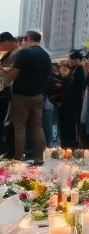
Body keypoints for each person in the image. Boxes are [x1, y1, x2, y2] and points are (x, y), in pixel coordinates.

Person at [2, 31, 51, 163]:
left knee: (20, 126)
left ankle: (18, 158)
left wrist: (5, 81)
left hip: (21, 95)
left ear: (29, 39)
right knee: (37, 126)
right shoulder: (46, 55)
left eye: (23, 38)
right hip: (38, 95)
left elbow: (15, 73)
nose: (22, 41)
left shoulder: (25, 53)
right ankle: (39, 158)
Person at [59, 52, 85, 150]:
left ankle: (72, 144)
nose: (69, 61)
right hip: (68, 101)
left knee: (72, 123)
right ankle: (67, 144)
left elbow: (74, 87)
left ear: (76, 59)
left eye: (70, 59)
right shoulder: (74, 70)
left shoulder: (79, 71)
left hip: (73, 102)